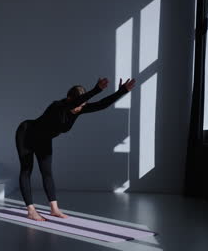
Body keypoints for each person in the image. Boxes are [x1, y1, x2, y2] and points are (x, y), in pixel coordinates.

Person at [15, 77, 136, 221]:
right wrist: (96, 89)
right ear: (69, 98)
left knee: (47, 173)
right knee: (26, 170)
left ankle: (54, 209)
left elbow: (101, 104)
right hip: (27, 133)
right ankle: (31, 211)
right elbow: (77, 102)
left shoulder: (79, 108)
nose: (80, 106)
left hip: (44, 140)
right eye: (79, 102)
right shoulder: (58, 106)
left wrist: (122, 91)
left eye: (83, 103)